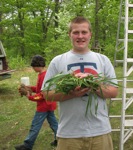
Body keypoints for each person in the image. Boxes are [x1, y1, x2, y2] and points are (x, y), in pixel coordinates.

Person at [41, 16, 118, 150]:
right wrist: (71, 94)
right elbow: (46, 94)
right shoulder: (58, 61)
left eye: (84, 32)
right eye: (76, 32)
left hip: (100, 131)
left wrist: (93, 85)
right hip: (69, 134)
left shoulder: (103, 60)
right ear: (69, 34)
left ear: (90, 34)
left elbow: (113, 91)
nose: (80, 36)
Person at [15, 55, 58, 150]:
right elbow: (40, 89)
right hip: (49, 104)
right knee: (54, 124)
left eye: (33, 66)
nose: (33, 68)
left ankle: (27, 145)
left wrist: (29, 96)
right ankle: (60, 139)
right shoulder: (44, 74)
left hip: (44, 106)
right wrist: (31, 88)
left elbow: (43, 94)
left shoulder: (44, 76)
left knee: (35, 125)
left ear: (37, 65)